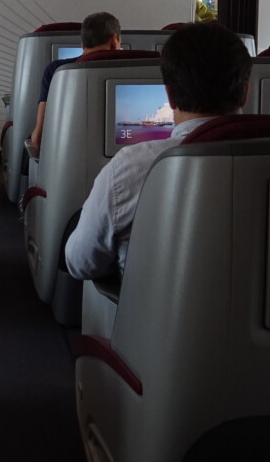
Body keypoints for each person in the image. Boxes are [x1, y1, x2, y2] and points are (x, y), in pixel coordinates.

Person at [64, 21, 250, 280]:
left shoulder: (130, 166)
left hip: (145, 316)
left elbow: (81, 263)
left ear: (170, 97)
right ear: (245, 93)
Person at [29, 11, 121, 150]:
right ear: (114, 41)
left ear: (82, 44)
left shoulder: (55, 70)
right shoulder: (133, 68)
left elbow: (39, 140)